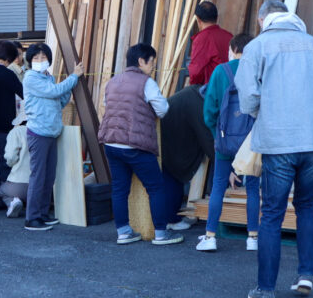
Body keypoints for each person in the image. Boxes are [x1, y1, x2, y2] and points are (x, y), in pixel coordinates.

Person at [235, 1, 313, 298]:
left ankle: (266, 289)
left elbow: (248, 99)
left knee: (271, 213)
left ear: (262, 19)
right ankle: (306, 276)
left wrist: (265, 113)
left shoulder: (257, 47)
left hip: (279, 140)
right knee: (306, 206)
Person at [98, 43, 182, 246]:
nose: (152, 67)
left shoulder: (112, 81)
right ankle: (161, 234)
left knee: (119, 189)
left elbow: (107, 105)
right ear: (141, 61)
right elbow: (162, 108)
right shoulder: (146, 82)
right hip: (135, 145)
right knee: (155, 187)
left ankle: (123, 232)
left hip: (111, 142)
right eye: (151, 62)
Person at [198, 33, 258, 253]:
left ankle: (210, 236)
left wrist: (218, 131)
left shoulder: (221, 71)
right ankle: (253, 237)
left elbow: (209, 110)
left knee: (218, 186)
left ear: (233, 48)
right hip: (251, 140)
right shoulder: (257, 71)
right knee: (252, 188)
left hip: (225, 138)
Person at [22, 43, 83, 231]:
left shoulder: (48, 77)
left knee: (49, 177)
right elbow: (54, 92)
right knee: (38, 176)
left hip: (51, 131)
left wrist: (70, 88)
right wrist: (73, 77)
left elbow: (59, 99)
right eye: (36, 58)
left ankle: (42, 214)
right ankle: (32, 218)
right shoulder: (31, 78)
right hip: (38, 132)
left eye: (43, 58)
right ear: (30, 61)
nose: (40, 61)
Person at [158, 83, 213, 233]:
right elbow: (207, 138)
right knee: (173, 181)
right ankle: (171, 220)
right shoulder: (197, 104)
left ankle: (167, 218)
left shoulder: (194, 93)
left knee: (170, 180)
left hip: (166, 139)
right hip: (170, 143)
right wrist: (222, 161)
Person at [0, 40, 23, 208]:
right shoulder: (8, 75)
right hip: (2, 126)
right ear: (9, 58)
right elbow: (24, 93)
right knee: (3, 164)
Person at [188, 1, 233, 86]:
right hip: (230, 87)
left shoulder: (201, 39)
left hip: (212, 90)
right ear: (216, 17)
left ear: (198, 20)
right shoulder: (229, 36)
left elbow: (195, 72)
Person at [0, 112, 30, 218]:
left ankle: (13, 201)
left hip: (19, 184)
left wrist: (10, 163)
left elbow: (11, 157)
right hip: (41, 186)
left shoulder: (17, 131)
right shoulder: (43, 132)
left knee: (2, 190)